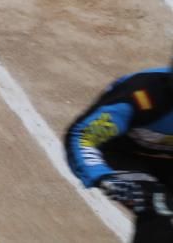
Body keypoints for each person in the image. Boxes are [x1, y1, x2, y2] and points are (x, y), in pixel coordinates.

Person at [65, 63, 173, 242]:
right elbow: (83, 136)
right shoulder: (142, 95)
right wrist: (103, 176)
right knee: (159, 209)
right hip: (120, 154)